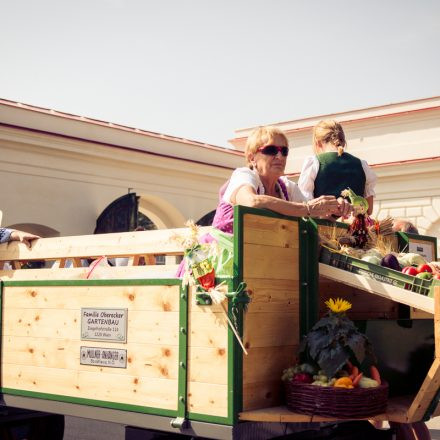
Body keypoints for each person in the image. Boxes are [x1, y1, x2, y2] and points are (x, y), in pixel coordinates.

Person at [211, 125, 351, 234]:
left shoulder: (287, 188)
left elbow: (314, 219)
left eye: (284, 151)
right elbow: (251, 202)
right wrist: (307, 208)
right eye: (271, 150)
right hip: (227, 263)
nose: (279, 156)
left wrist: (334, 209)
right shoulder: (244, 175)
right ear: (251, 158)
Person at [298, 119, 377, 216]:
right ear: (343, 142)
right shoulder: (362, 165)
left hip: (322, 229)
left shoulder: (314, 162)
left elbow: (306, 206)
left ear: (318, 143)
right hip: (355, 229)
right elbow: (368, 210)